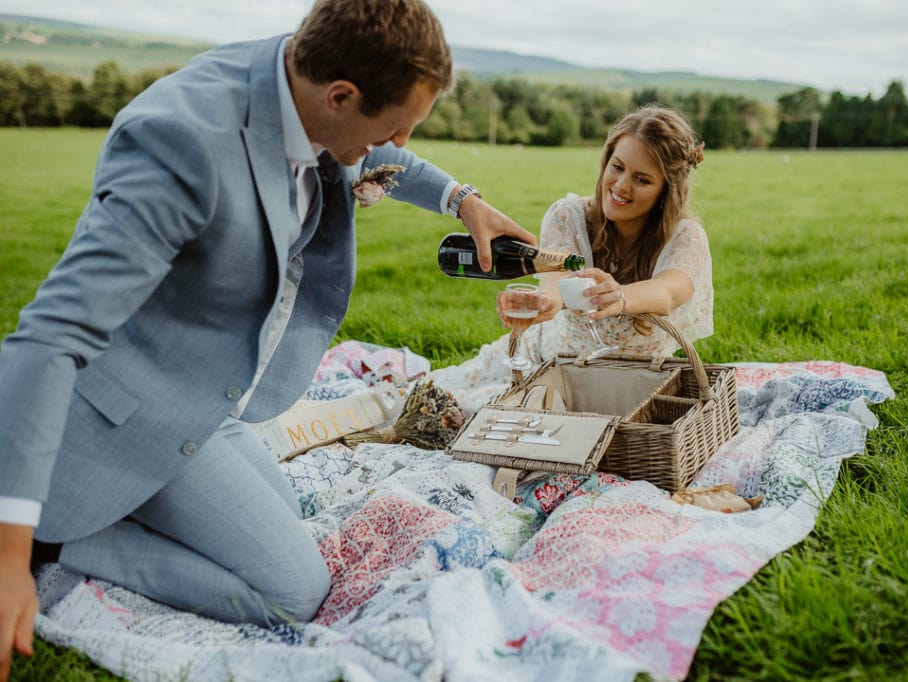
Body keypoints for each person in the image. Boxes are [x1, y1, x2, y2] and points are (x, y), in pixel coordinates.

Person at [0, 0, 537, 676]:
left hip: (205, 393)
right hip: (118, 411)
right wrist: (7, 554)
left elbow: (385, 155)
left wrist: (464, 200)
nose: (394, 147)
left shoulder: (301, 73)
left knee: (281, 508)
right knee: (292, 589)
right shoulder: (181, 144)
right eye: (390, 131)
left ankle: (98, 510)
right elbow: (50, 337)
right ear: (339, 97)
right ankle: (53, 543)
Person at [431, 104, 713, 412]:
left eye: (642, 180)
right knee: (447, 404)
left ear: (665, 190)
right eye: (617, 167)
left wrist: (619, 296)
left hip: (633, 388)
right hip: (546, 365)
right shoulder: (569, 215)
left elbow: (668, 291)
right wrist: (546, 301)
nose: (620, 186)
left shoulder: (685, 236)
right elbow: (555, 277)